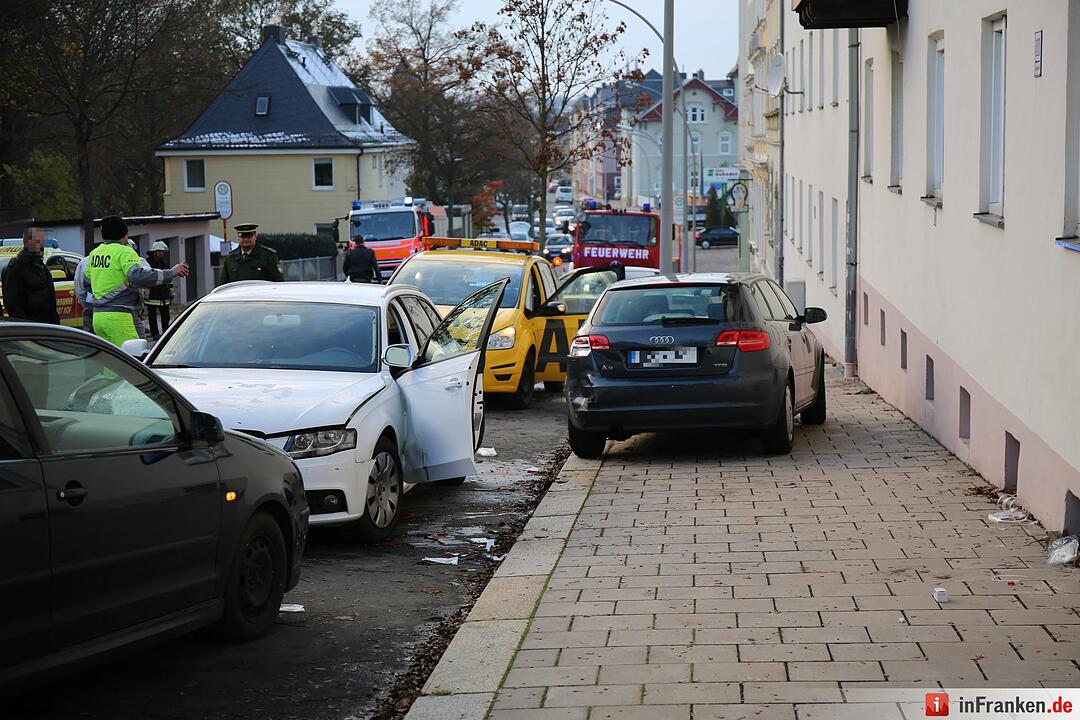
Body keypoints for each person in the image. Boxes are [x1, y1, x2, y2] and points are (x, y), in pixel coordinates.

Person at [86, 215, 188, 347]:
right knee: (131, 359)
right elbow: (138, 276)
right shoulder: (125, 252)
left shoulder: (95, 253)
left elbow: (88, 279)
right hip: (119, 317)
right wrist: (171, 273)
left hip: (98, 317)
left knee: (111, 364)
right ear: (123, 234)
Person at [2, 226, 60, 324]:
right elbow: (11, 301)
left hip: (47, 325)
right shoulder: (16, 267)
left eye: (42, 242)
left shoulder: (41, 266)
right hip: (30, 326)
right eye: (38, 241)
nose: (42, 245)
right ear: (27, 243)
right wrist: (25, 324)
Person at [219, 223, 283, 285]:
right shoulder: (230, 258)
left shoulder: (268, 256)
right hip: (238, 295)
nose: (246, 240)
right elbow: (223, 283)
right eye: (243, 237)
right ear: (238, 238)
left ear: (255, 237)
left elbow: (278, 283)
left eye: (249, 237)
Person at [145, 241, 173, 339]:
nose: (161, 253)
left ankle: (165, 334)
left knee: (166, 316)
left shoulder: (164, 263)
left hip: (164, 295)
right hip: (152, 294)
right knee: (152, 316)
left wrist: (171, 292)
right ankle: (155, 334)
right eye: (159, 251)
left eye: (162, 252)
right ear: (154, 252)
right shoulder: (148, 263)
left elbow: (169, 278)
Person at [73, 253, 94, 332]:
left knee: (90, 338)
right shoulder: (123, 259)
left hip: (91, 304)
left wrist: (86, 304)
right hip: (118, 308)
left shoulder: (86, 261)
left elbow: (79, 288)